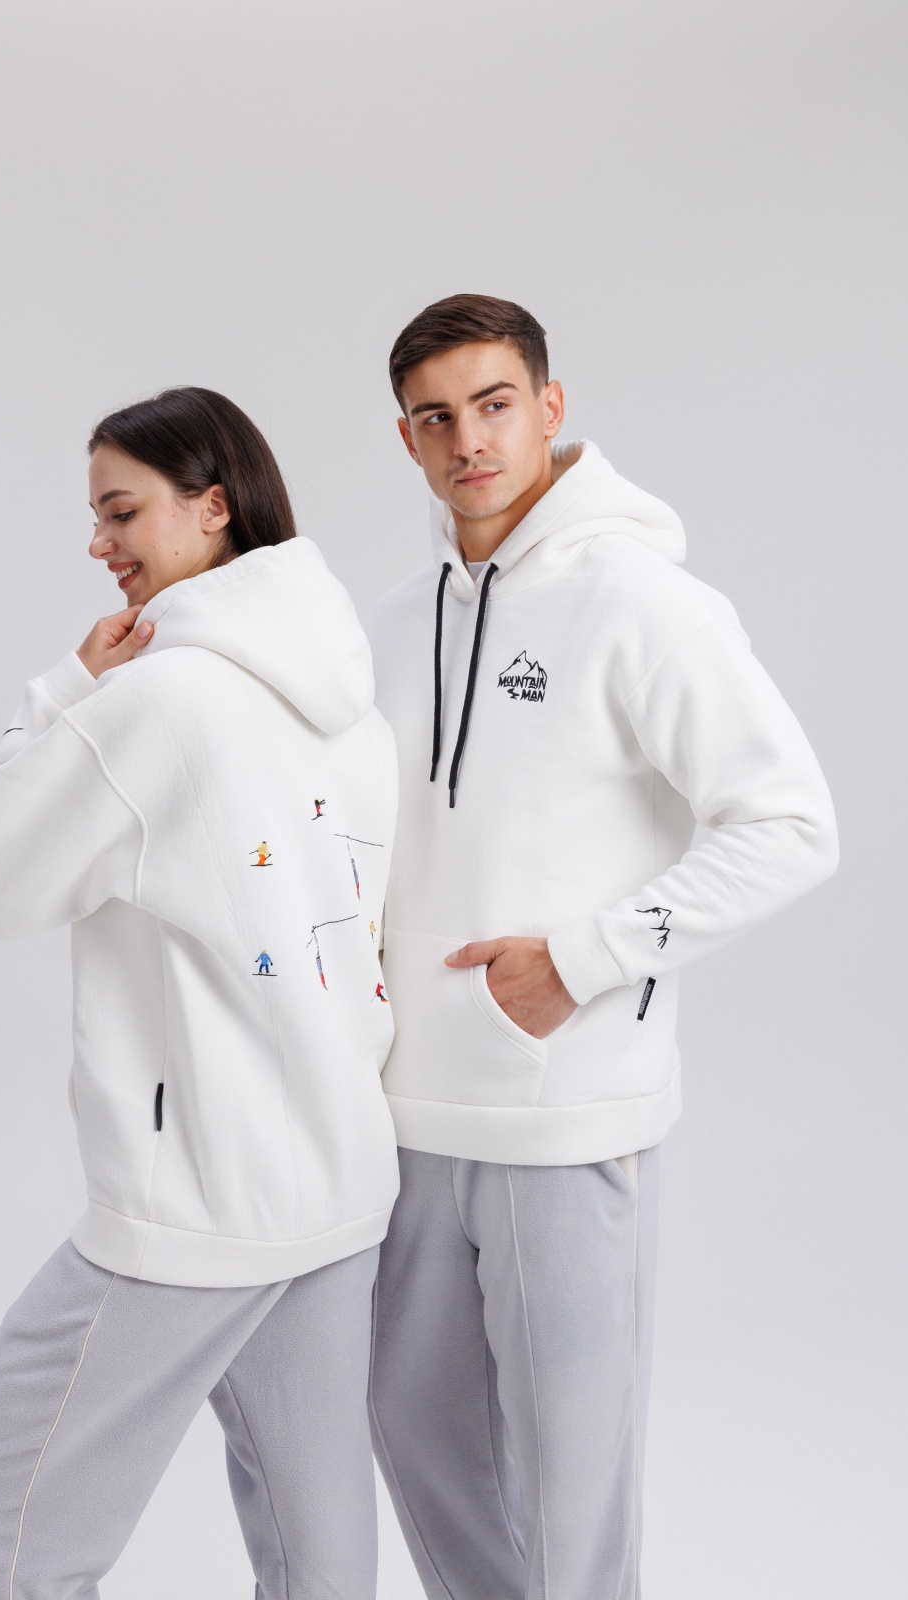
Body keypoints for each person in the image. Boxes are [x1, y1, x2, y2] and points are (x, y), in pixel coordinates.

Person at [366, 295, 838, 1600]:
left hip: (567, 1112)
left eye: (493, 404)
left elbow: (790, 826)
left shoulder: (645, 605)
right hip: (402, 1115)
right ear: (406, 439)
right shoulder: (393, 622)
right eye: (435, 418)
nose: (469, 440)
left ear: (549, 406)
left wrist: (581, 959)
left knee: (569, 1483)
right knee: (411, 1430)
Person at [0, 387, 399, 1600]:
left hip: (199, 1201)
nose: (98, 543)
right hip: (338, 1181)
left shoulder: (159, 702)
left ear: (212, 506)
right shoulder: (353, 705)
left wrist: (61, 692)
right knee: (318, 1552)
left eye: (120, 511)